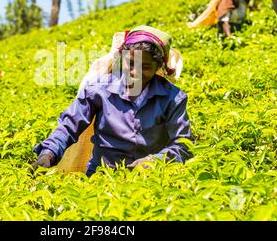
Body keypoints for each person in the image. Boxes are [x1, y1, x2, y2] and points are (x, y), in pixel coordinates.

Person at [31, 25, 194, 177]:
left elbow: (183, 144)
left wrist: (154, 161)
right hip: (101, 176)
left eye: (145, 67)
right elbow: (69, 126)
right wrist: (49, 153)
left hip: (150, 179)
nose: (135, 72)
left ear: (158, 67)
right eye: (130, 63)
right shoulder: (98, 89)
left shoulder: (172, 98)